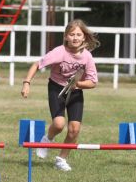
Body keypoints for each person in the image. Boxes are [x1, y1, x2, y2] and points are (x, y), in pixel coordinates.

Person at [21, 19, 99, 172]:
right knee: (58, 124)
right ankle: (47, 139)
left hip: (76, 91)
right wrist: (26, 83)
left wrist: (78, 85)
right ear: (66, 37)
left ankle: (61, 159)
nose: (75, 38)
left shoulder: (87, 57)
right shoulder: (59, 52)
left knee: (74, 129)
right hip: (57, 88)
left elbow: (93, 82)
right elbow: (37, 64)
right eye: (72, 34)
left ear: (84, 37)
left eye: (78, 34)